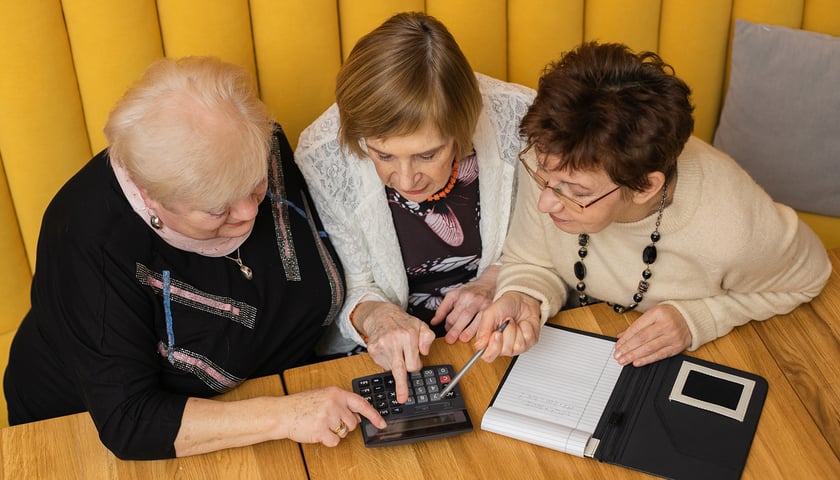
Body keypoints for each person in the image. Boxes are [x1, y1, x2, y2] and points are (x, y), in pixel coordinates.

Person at [3, 56, 385, 460]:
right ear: (152, 197)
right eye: (218, 210)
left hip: (288, 406)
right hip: (83, 435)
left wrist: (374, 314)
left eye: (256, 187)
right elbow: (130, 420)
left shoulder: (249, 143)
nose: (249, 213)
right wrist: (288, 415)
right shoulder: (87, 238)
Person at [474, 41, 831, 367]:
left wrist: (699, 319)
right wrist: (523, 294)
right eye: (543, 174)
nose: (546, 202)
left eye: (575, 192)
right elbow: (532, 258)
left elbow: (810, 278)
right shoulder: (557, 159)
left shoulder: (735, 227)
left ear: (645, 186)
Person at [295, 12, 535, 402]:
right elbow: (350, 287)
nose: (405, 181)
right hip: (386, 359)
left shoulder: (519, 119)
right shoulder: (324, 153)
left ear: (464, 125)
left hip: (501, 339)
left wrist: (500, 278)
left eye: (427, 155)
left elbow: (553, 240)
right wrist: (376, 317)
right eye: (383, 155)